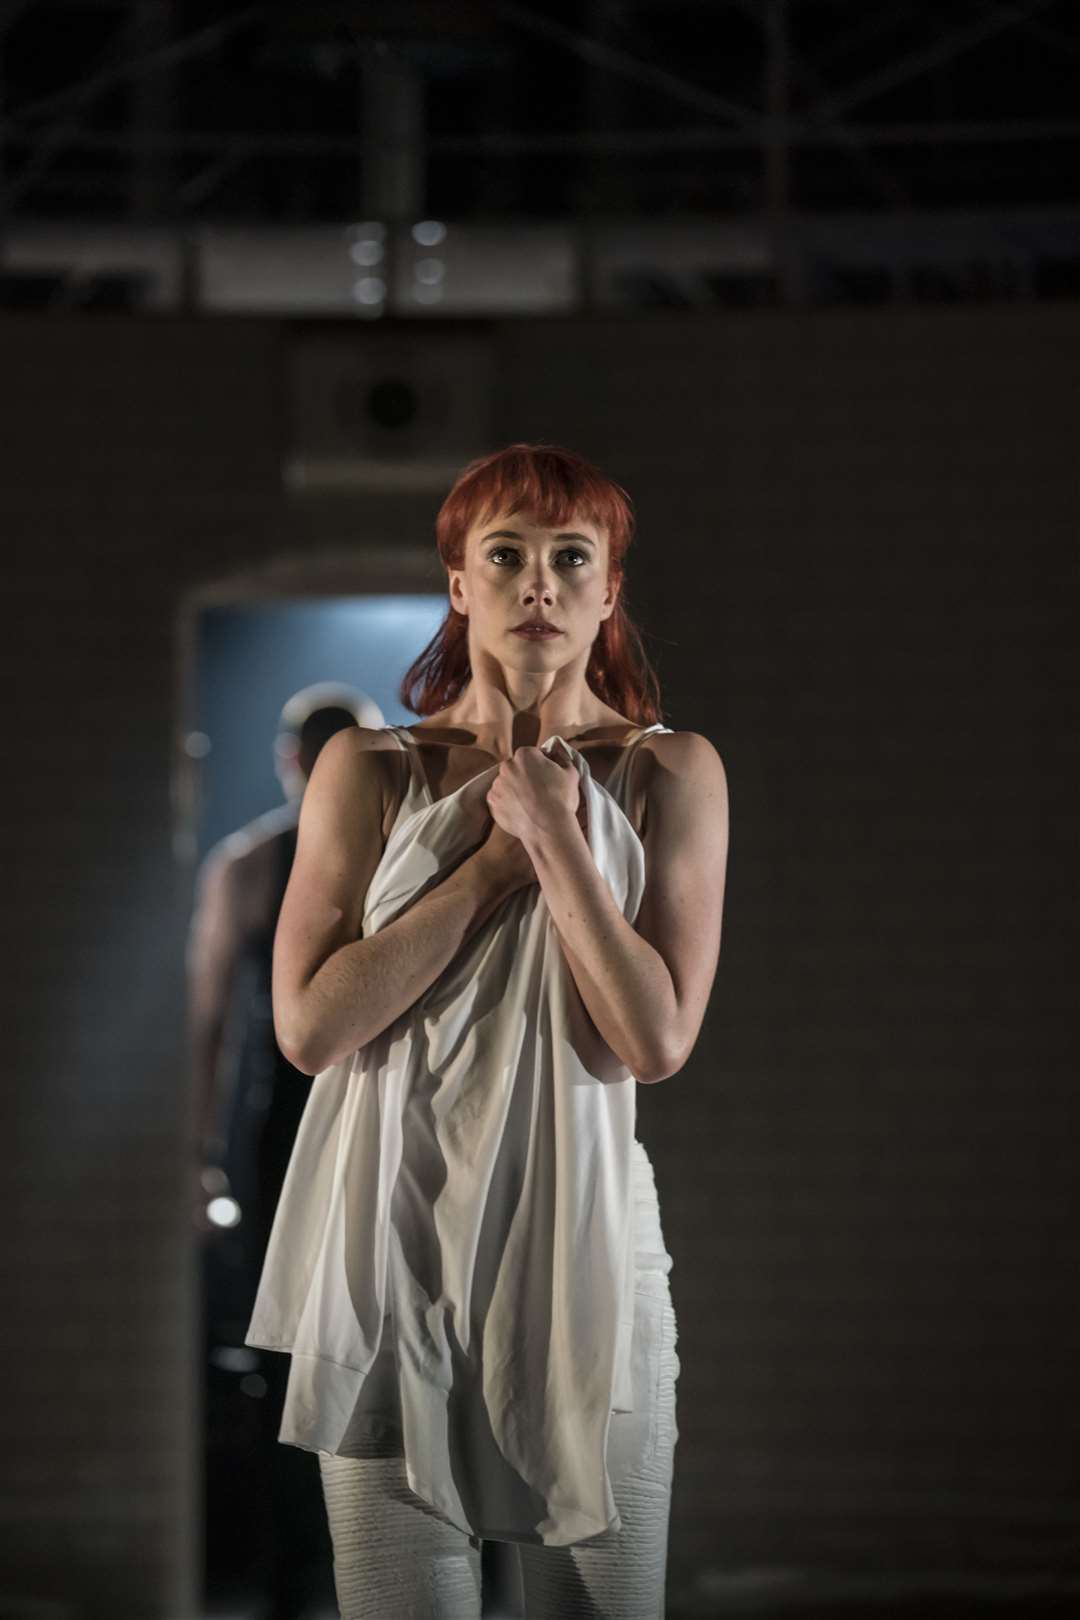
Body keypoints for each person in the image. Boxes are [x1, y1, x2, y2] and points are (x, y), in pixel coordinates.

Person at [244, 443, 729, 1619]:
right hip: (388, 1261)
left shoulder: (671, 770)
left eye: (572, 558)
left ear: (610, 588)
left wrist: (560, 842)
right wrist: (489, 871)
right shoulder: (368, 770)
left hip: (587, 1263)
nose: (540, 585)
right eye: (506, 556)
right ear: (459, 582)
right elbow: (309, 1026)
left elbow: (653, 1039)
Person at [186, 682, 384, 1620]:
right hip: (280, 1135)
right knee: (282, 1358)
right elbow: (208, 1025)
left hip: (373, 1129)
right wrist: (200, 1159)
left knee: (371, 1348)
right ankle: (291, 1577)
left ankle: (353, 1570)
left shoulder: (396, 859)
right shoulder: (253, 867)